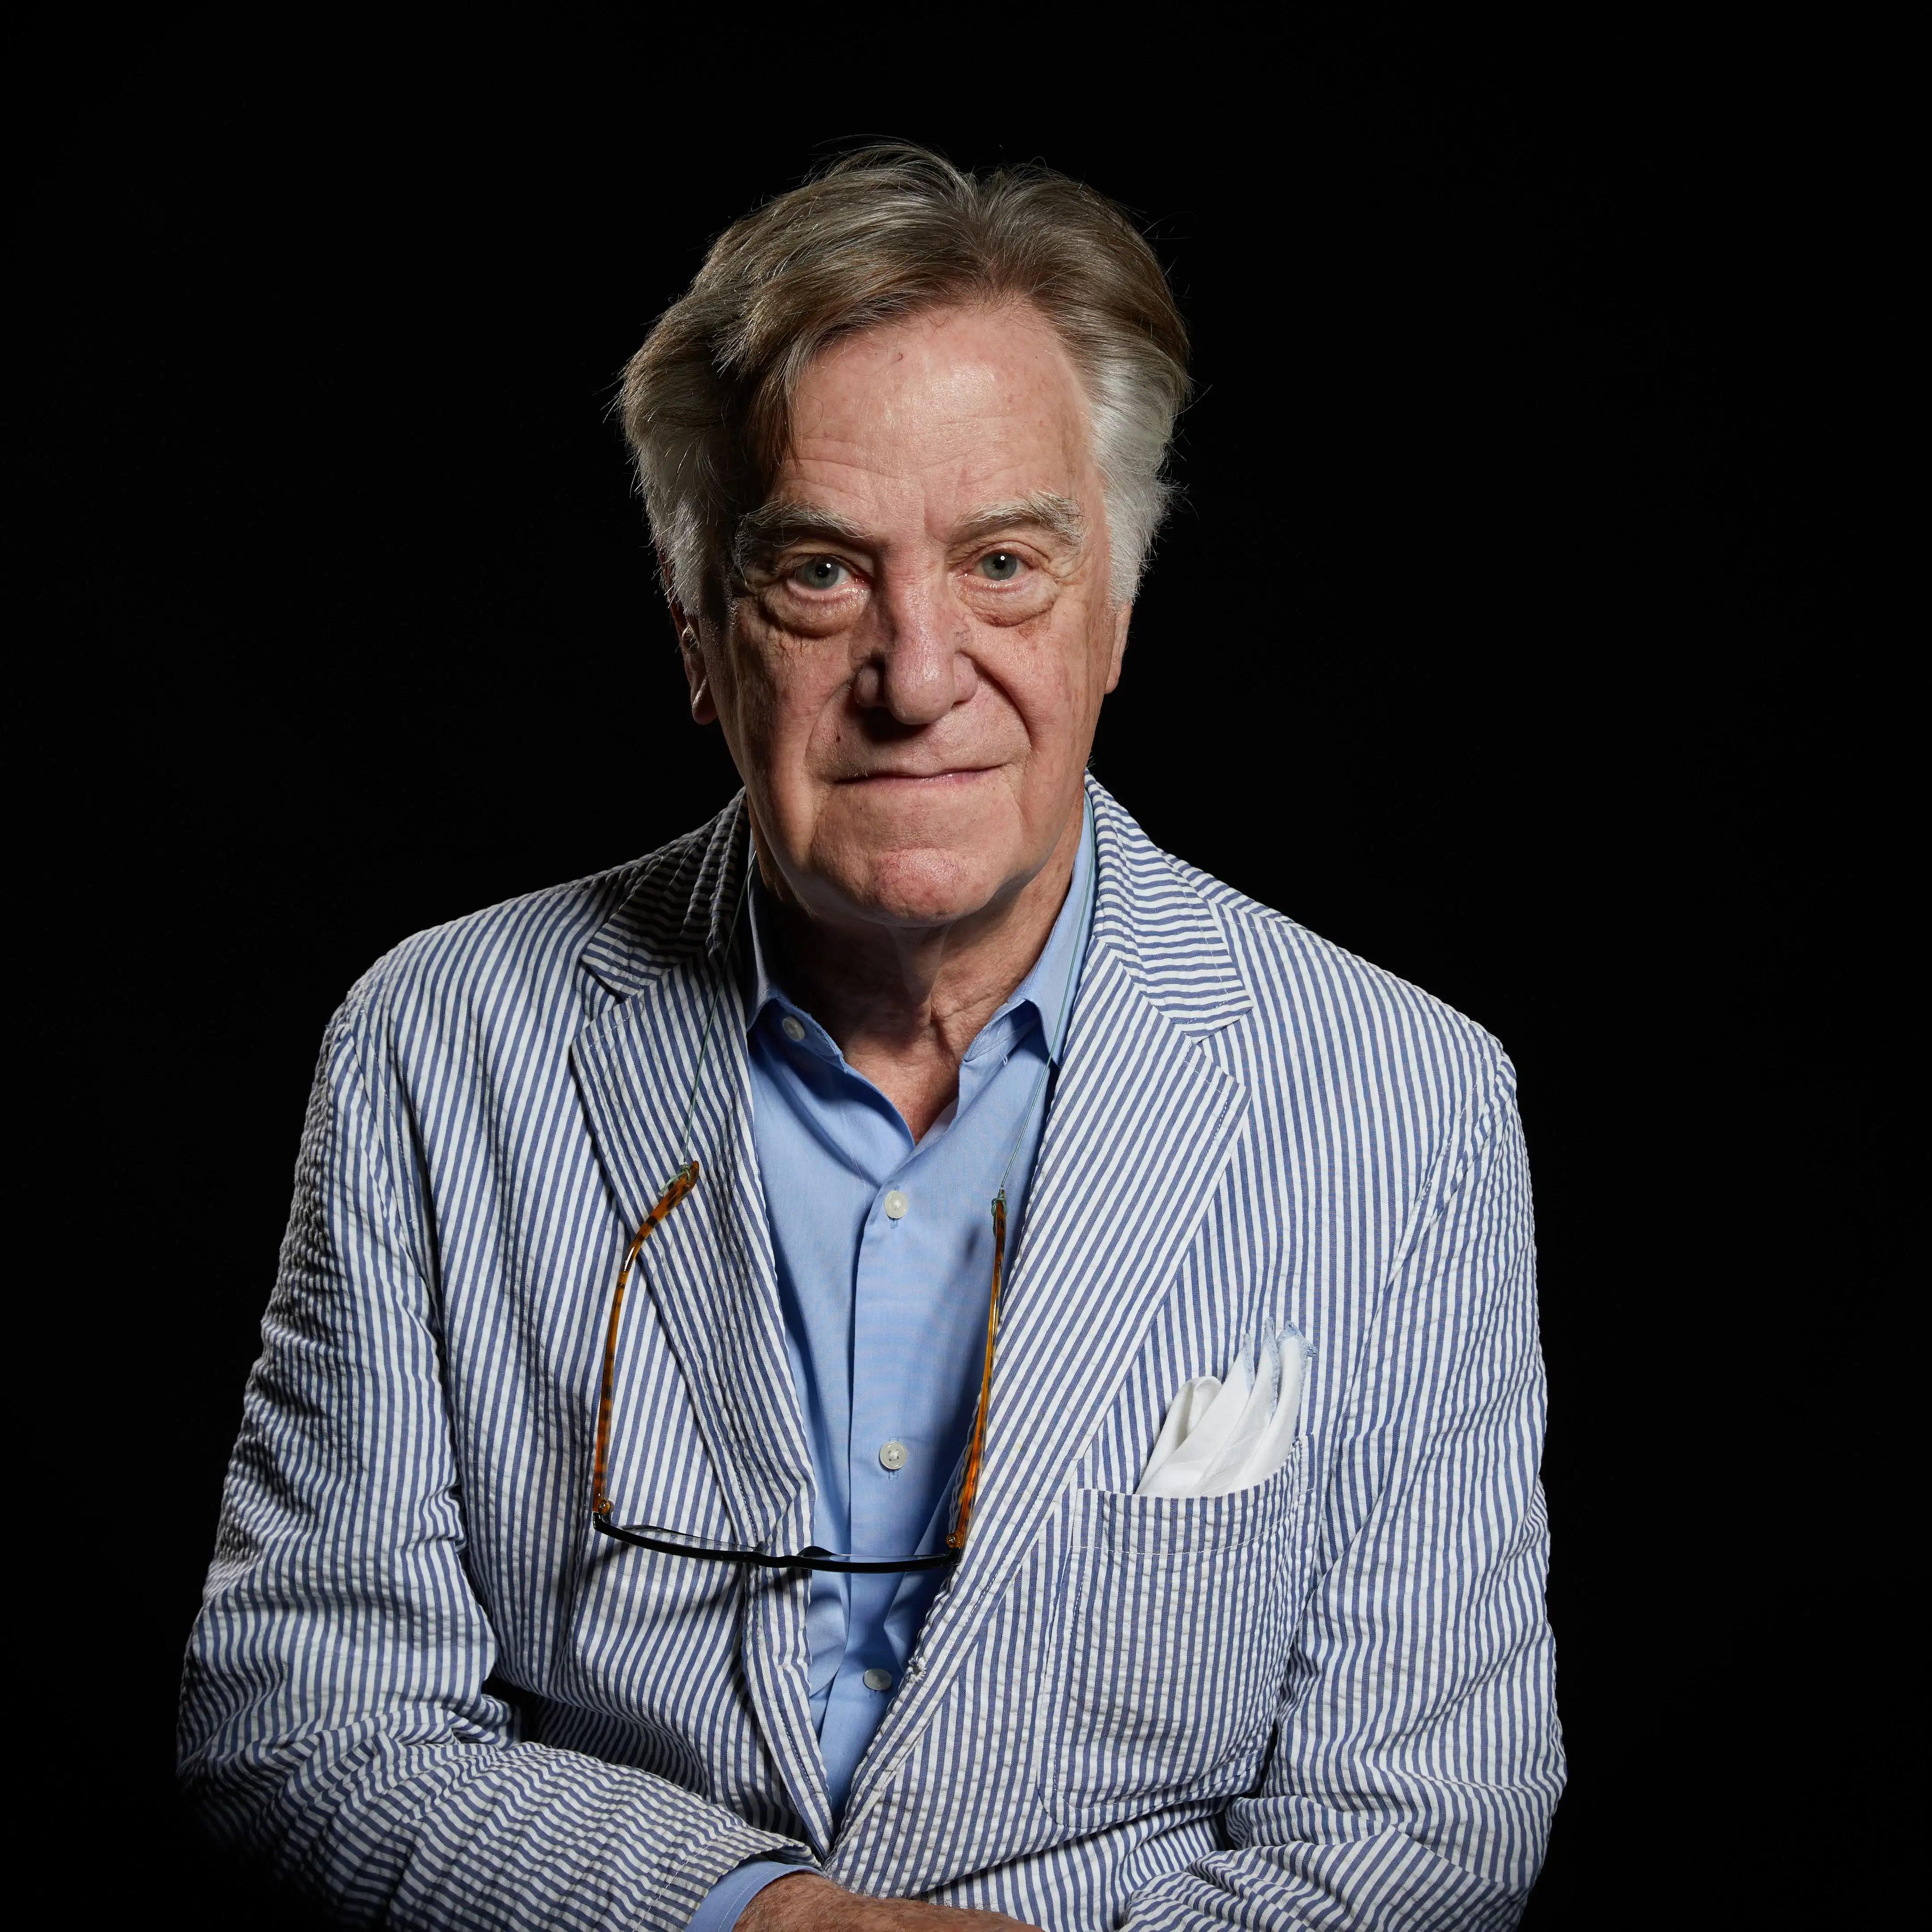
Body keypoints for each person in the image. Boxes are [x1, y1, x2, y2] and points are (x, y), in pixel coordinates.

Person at [179, 144, 1562, 1931]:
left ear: (1116, 614)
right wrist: (760, 1921)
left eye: (1004, 564)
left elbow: (1427, 1826)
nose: (918, 674)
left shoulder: (1406, 1104)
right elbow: (302, 1723)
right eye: (821, 574)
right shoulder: (437, 1049)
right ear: (699, 635)